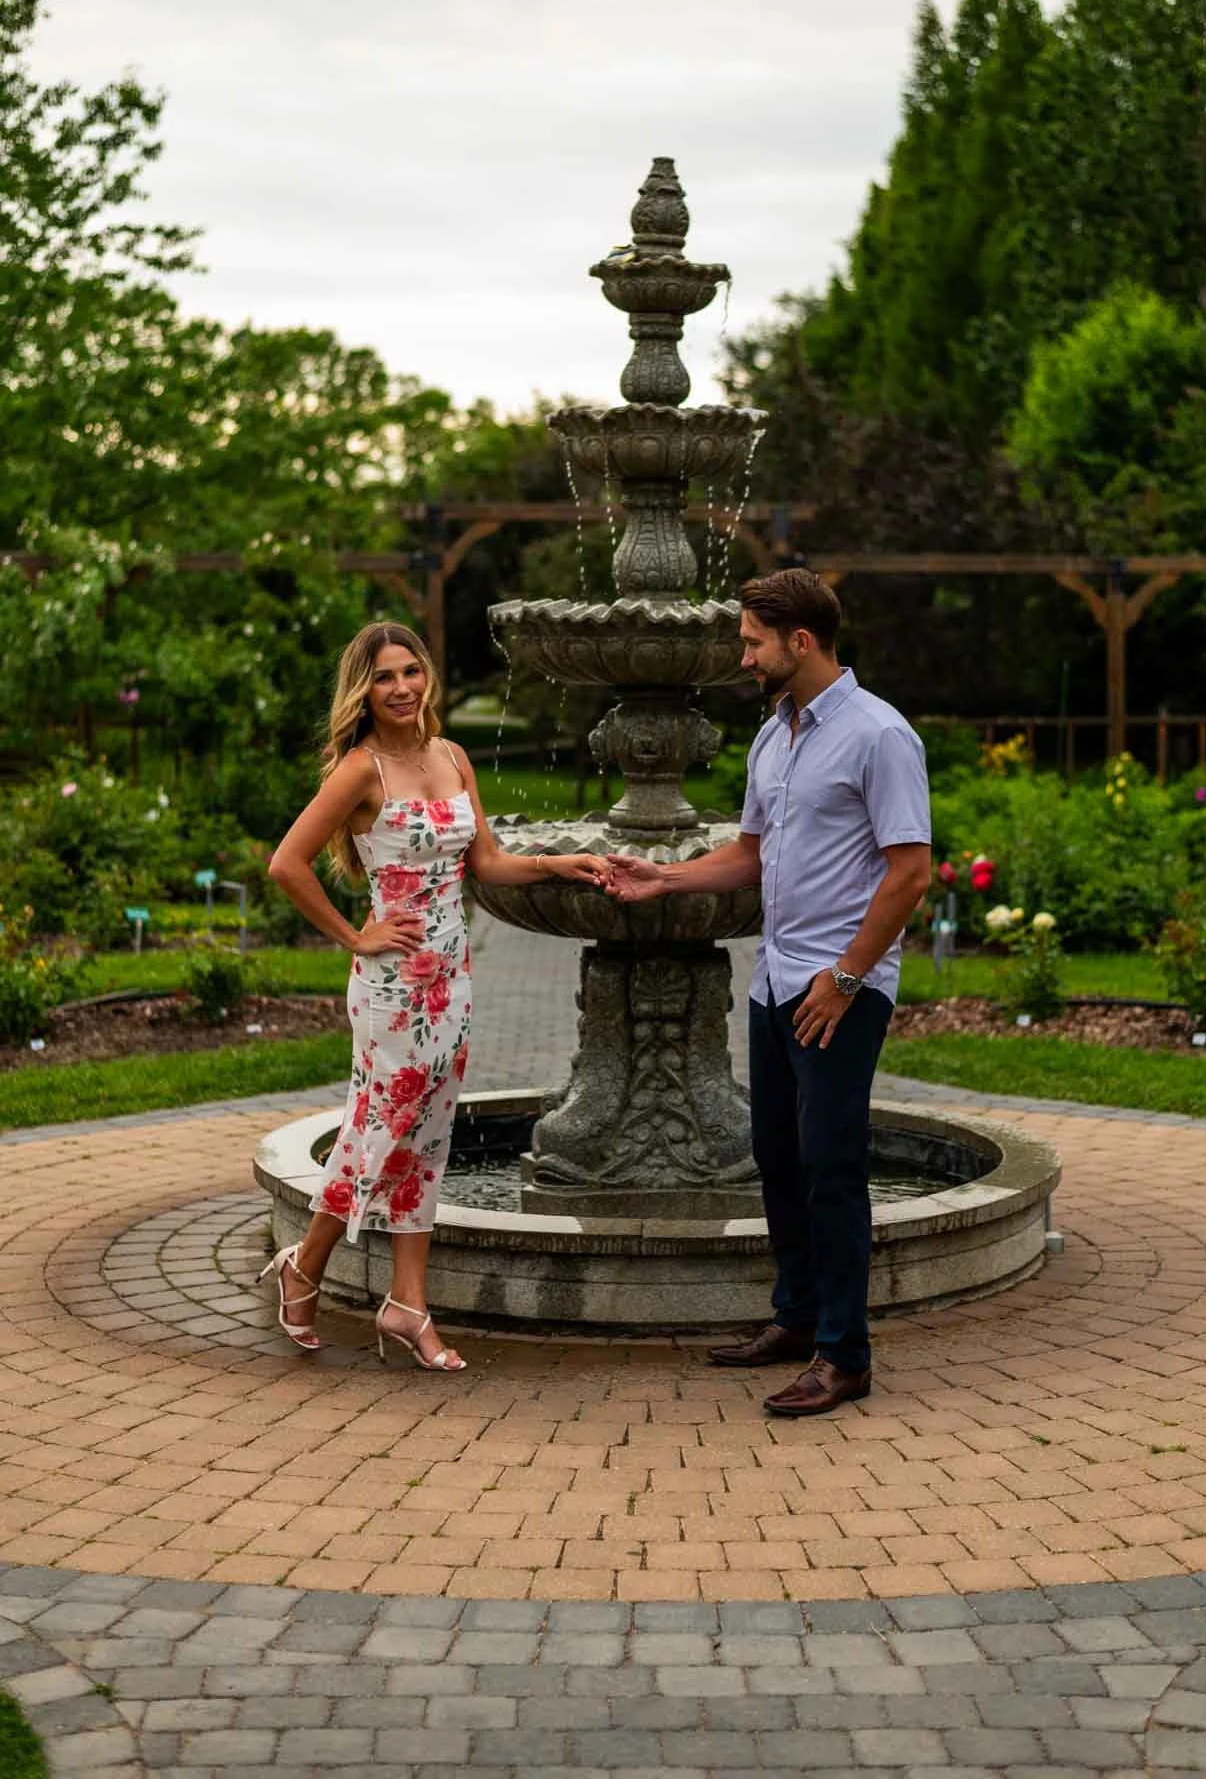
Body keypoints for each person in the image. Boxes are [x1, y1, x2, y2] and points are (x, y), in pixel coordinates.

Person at [606, 570, 931, 1416]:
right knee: (780, 1160)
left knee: (830, 1168)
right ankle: (793, 1321)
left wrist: (847, 977)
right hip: (777, 980)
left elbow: (909, 873)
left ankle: (844, 1356)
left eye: (752, 642)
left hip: (840, 984)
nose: (741, 656)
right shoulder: (774, 737)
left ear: (799, 641)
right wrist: (664, 878)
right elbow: (749, 855)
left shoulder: (878, 735)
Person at [264, 621, 607, 1369]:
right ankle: (305, 1267)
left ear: (428, 677)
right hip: (391, 987)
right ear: (365, 689)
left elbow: (485, 862)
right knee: (377, 1131)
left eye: (411, 672)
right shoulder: (361, 771)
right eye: (384, 677)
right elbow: (286, 863)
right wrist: (355, 937)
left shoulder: (451, 757)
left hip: (451, 978)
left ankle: (408, 1304)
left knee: (427, 1138)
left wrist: (559, 865)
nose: (401, 689)